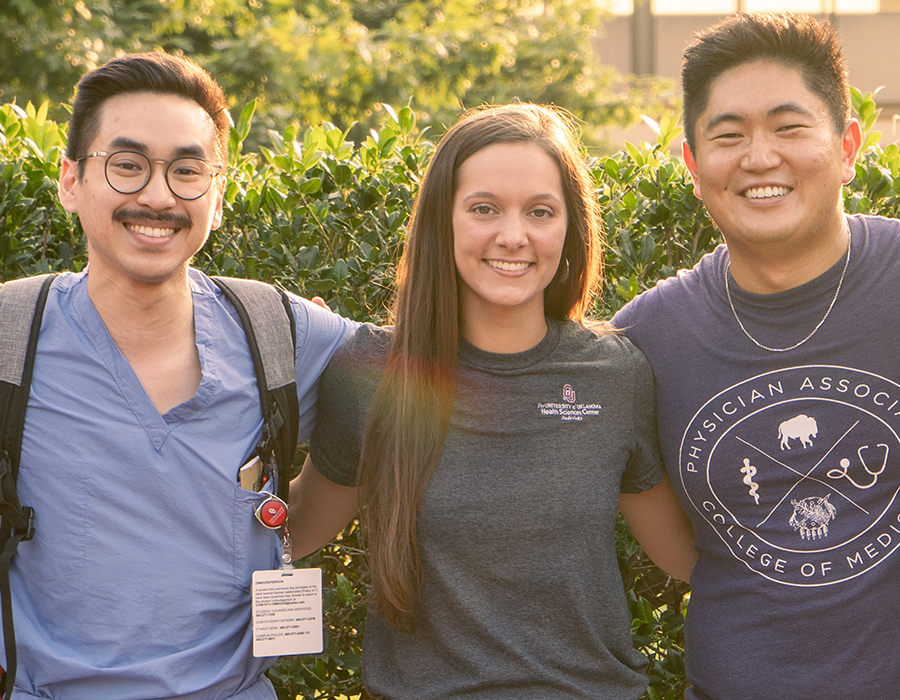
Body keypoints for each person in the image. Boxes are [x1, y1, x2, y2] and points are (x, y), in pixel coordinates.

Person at [289, 103, 696, 699]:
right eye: (484, 209)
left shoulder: (614, 373)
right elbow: (295, 530)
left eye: (540, 211)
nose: (514, 235)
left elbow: (685, 555)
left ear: (569, 228)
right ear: (441, 222)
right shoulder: (372, 373)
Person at [1, 52, 356, 698]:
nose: (159, 196)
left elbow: (427, 364)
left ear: (217, 197)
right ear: (70, 180)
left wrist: (603, 347)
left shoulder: (276, 332)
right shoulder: (9, 335)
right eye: (128, 165)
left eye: (188, 171)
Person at [612, 11, 900, 699]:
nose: (760, 156)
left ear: (848, 145)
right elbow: (687, 554)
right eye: (729, 135)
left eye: (789, 127)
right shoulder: (646, 339)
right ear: (692, 164)